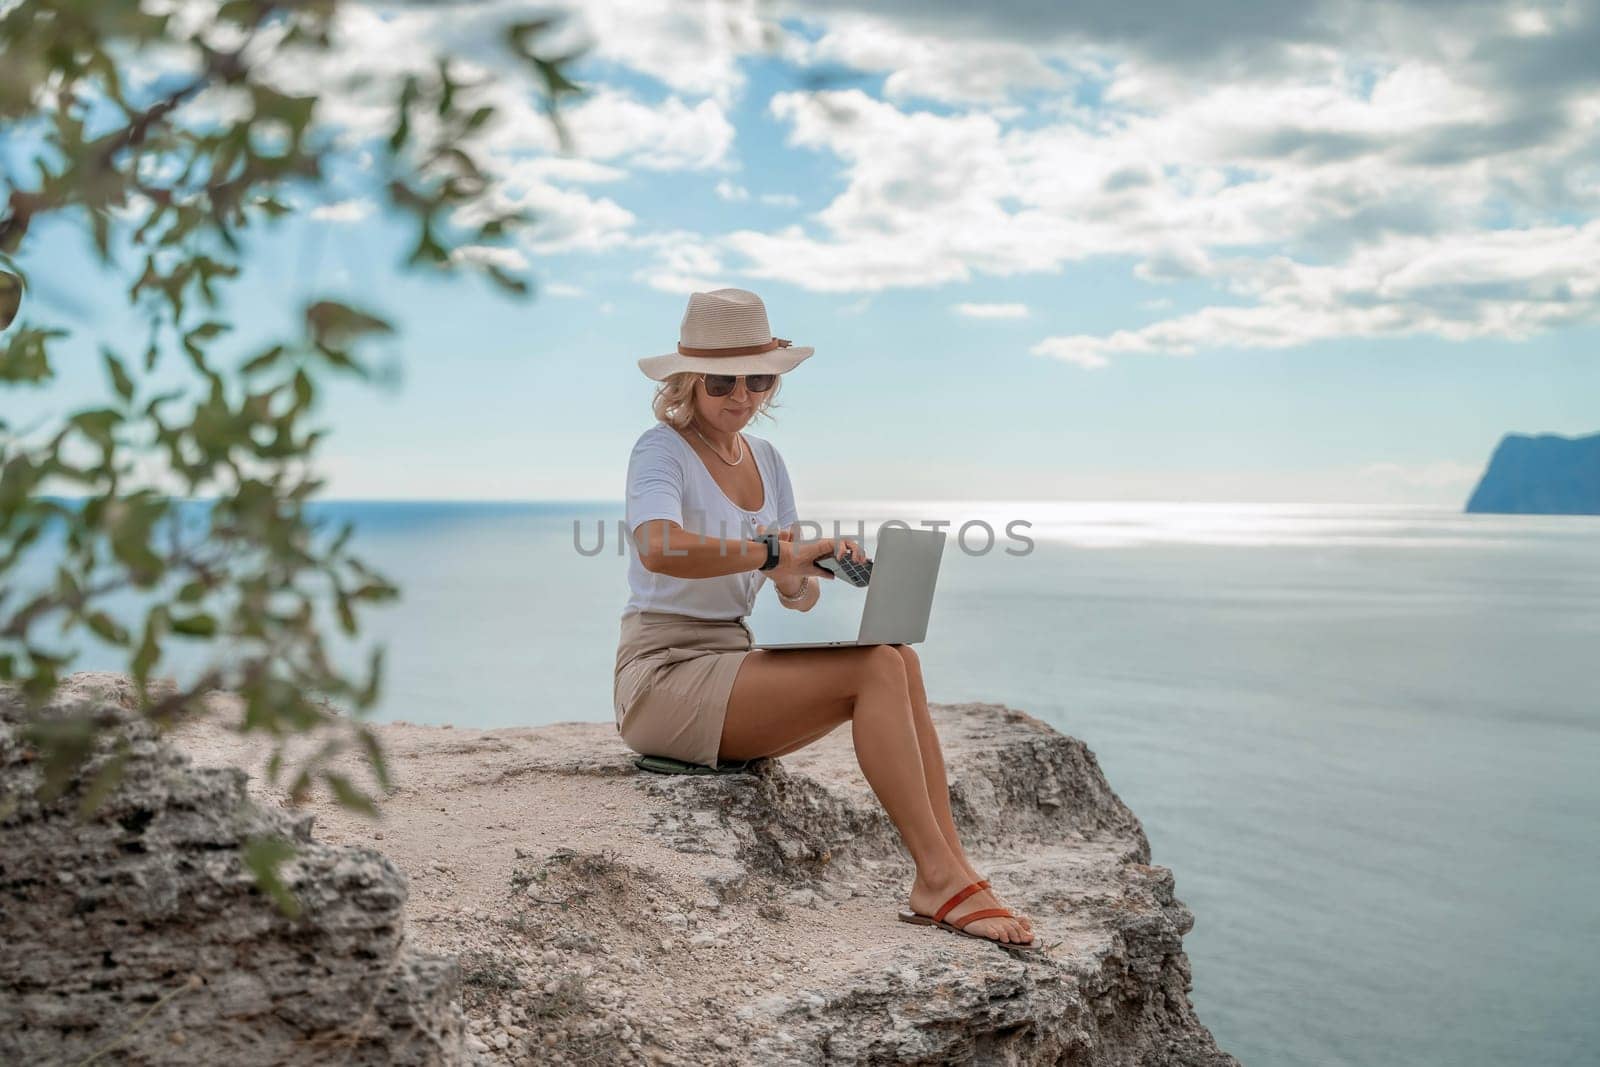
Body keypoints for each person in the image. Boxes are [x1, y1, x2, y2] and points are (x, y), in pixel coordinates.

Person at [614, 288, 1037, 951]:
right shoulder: (660, 450)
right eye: (723, 380)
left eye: (759, 378)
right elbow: (658, 546)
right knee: (873, 668)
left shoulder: (768, 463)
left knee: (897, 656)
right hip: (662, 676)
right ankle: (936, 878)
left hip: (729, 658)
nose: (742, 395)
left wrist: (812, 567)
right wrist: (779, 549)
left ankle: (952, 868)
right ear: (687, 380)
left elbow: (793, 596)